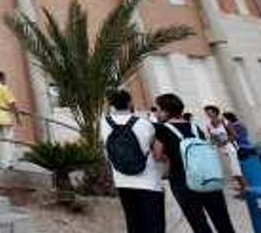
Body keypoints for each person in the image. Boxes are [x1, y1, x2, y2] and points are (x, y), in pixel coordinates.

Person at [152, 94, 236, 233]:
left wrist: (169, 156)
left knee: (199, 224)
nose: (157, 113)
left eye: (159, 109)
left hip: (182, 182)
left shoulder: (161, 129)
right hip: (208, 177)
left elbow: (157, 155)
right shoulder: (195, 127)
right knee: (223, 221)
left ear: (166, 111)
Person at [101, 90, 165, 233]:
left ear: (111, 104)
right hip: (148, 182)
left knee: (133, 224)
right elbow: (157, 154)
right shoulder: (145, 124)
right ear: (130, 102)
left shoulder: (103, 124)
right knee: (154, 226)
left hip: (122, 181)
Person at [203, 105, 246, 193]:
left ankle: (245, 189)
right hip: (220, 150)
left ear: (215, 112)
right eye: (207, 113)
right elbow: (212, 138)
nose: (208, 114)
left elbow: (234, 135)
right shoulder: (208, 125)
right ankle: (241, 189)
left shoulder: (225, 122)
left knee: (236, 170)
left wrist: (225, 141)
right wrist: (213, 142)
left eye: (210, 112)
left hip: (230, 148)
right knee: (230, 171)